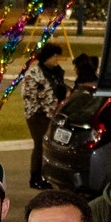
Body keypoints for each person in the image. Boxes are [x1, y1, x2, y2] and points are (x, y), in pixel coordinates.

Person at [21, 44, 67, 190]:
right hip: (38, 115)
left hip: (53, 114)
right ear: (46, 57)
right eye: (54, 56)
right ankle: (35, 177)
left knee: (48, 145)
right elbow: (28, 95)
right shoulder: (34, 74)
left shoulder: (56, 72)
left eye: (57, 56)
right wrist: (39, 111)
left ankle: (45, 176)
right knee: (40, 145)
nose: (56, 59)